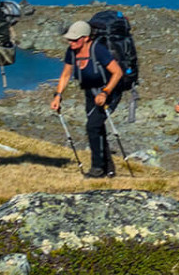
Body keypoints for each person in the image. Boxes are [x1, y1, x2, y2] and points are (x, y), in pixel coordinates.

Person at [50, 20, 125, 178]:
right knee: (96, 127)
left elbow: (117, 73)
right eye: (69, 39)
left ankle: (97, 169)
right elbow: (66, 74)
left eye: (75, 39)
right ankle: (108, 168)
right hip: (90, 93)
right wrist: (58, 95)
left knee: (93, 126)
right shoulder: (71, 52)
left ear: (85, 38)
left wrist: (105, 92)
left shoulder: (98, 50)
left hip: (109, 91)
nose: (71, 42)